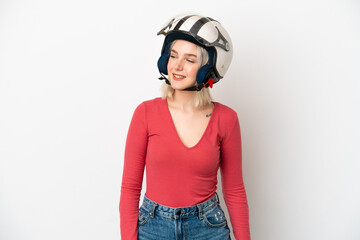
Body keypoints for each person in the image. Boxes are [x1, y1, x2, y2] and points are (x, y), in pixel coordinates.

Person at [119, 12, 250, 240]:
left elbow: (234, 191)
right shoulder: (145, 113)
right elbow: (130, 188)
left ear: (208, 68)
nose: (177, 66)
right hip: (153, 227)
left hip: (208, 227)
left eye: (189, 60)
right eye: (173, 56)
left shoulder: (227, 119)